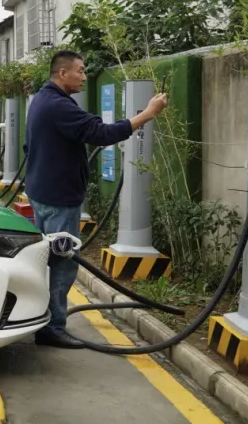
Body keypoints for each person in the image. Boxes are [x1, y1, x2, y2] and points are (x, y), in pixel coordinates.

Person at [24, 50, 167, 348]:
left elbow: (30, 146)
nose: (84, 76)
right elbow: (100, 133)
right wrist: (148, 114)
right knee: (62, 264)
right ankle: (53, 328)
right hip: (59, 199)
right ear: (62, 73)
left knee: (47, 261)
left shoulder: (42, 99)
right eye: (80, 70)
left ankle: (44, 320)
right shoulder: (59, 106)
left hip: (43, 192)